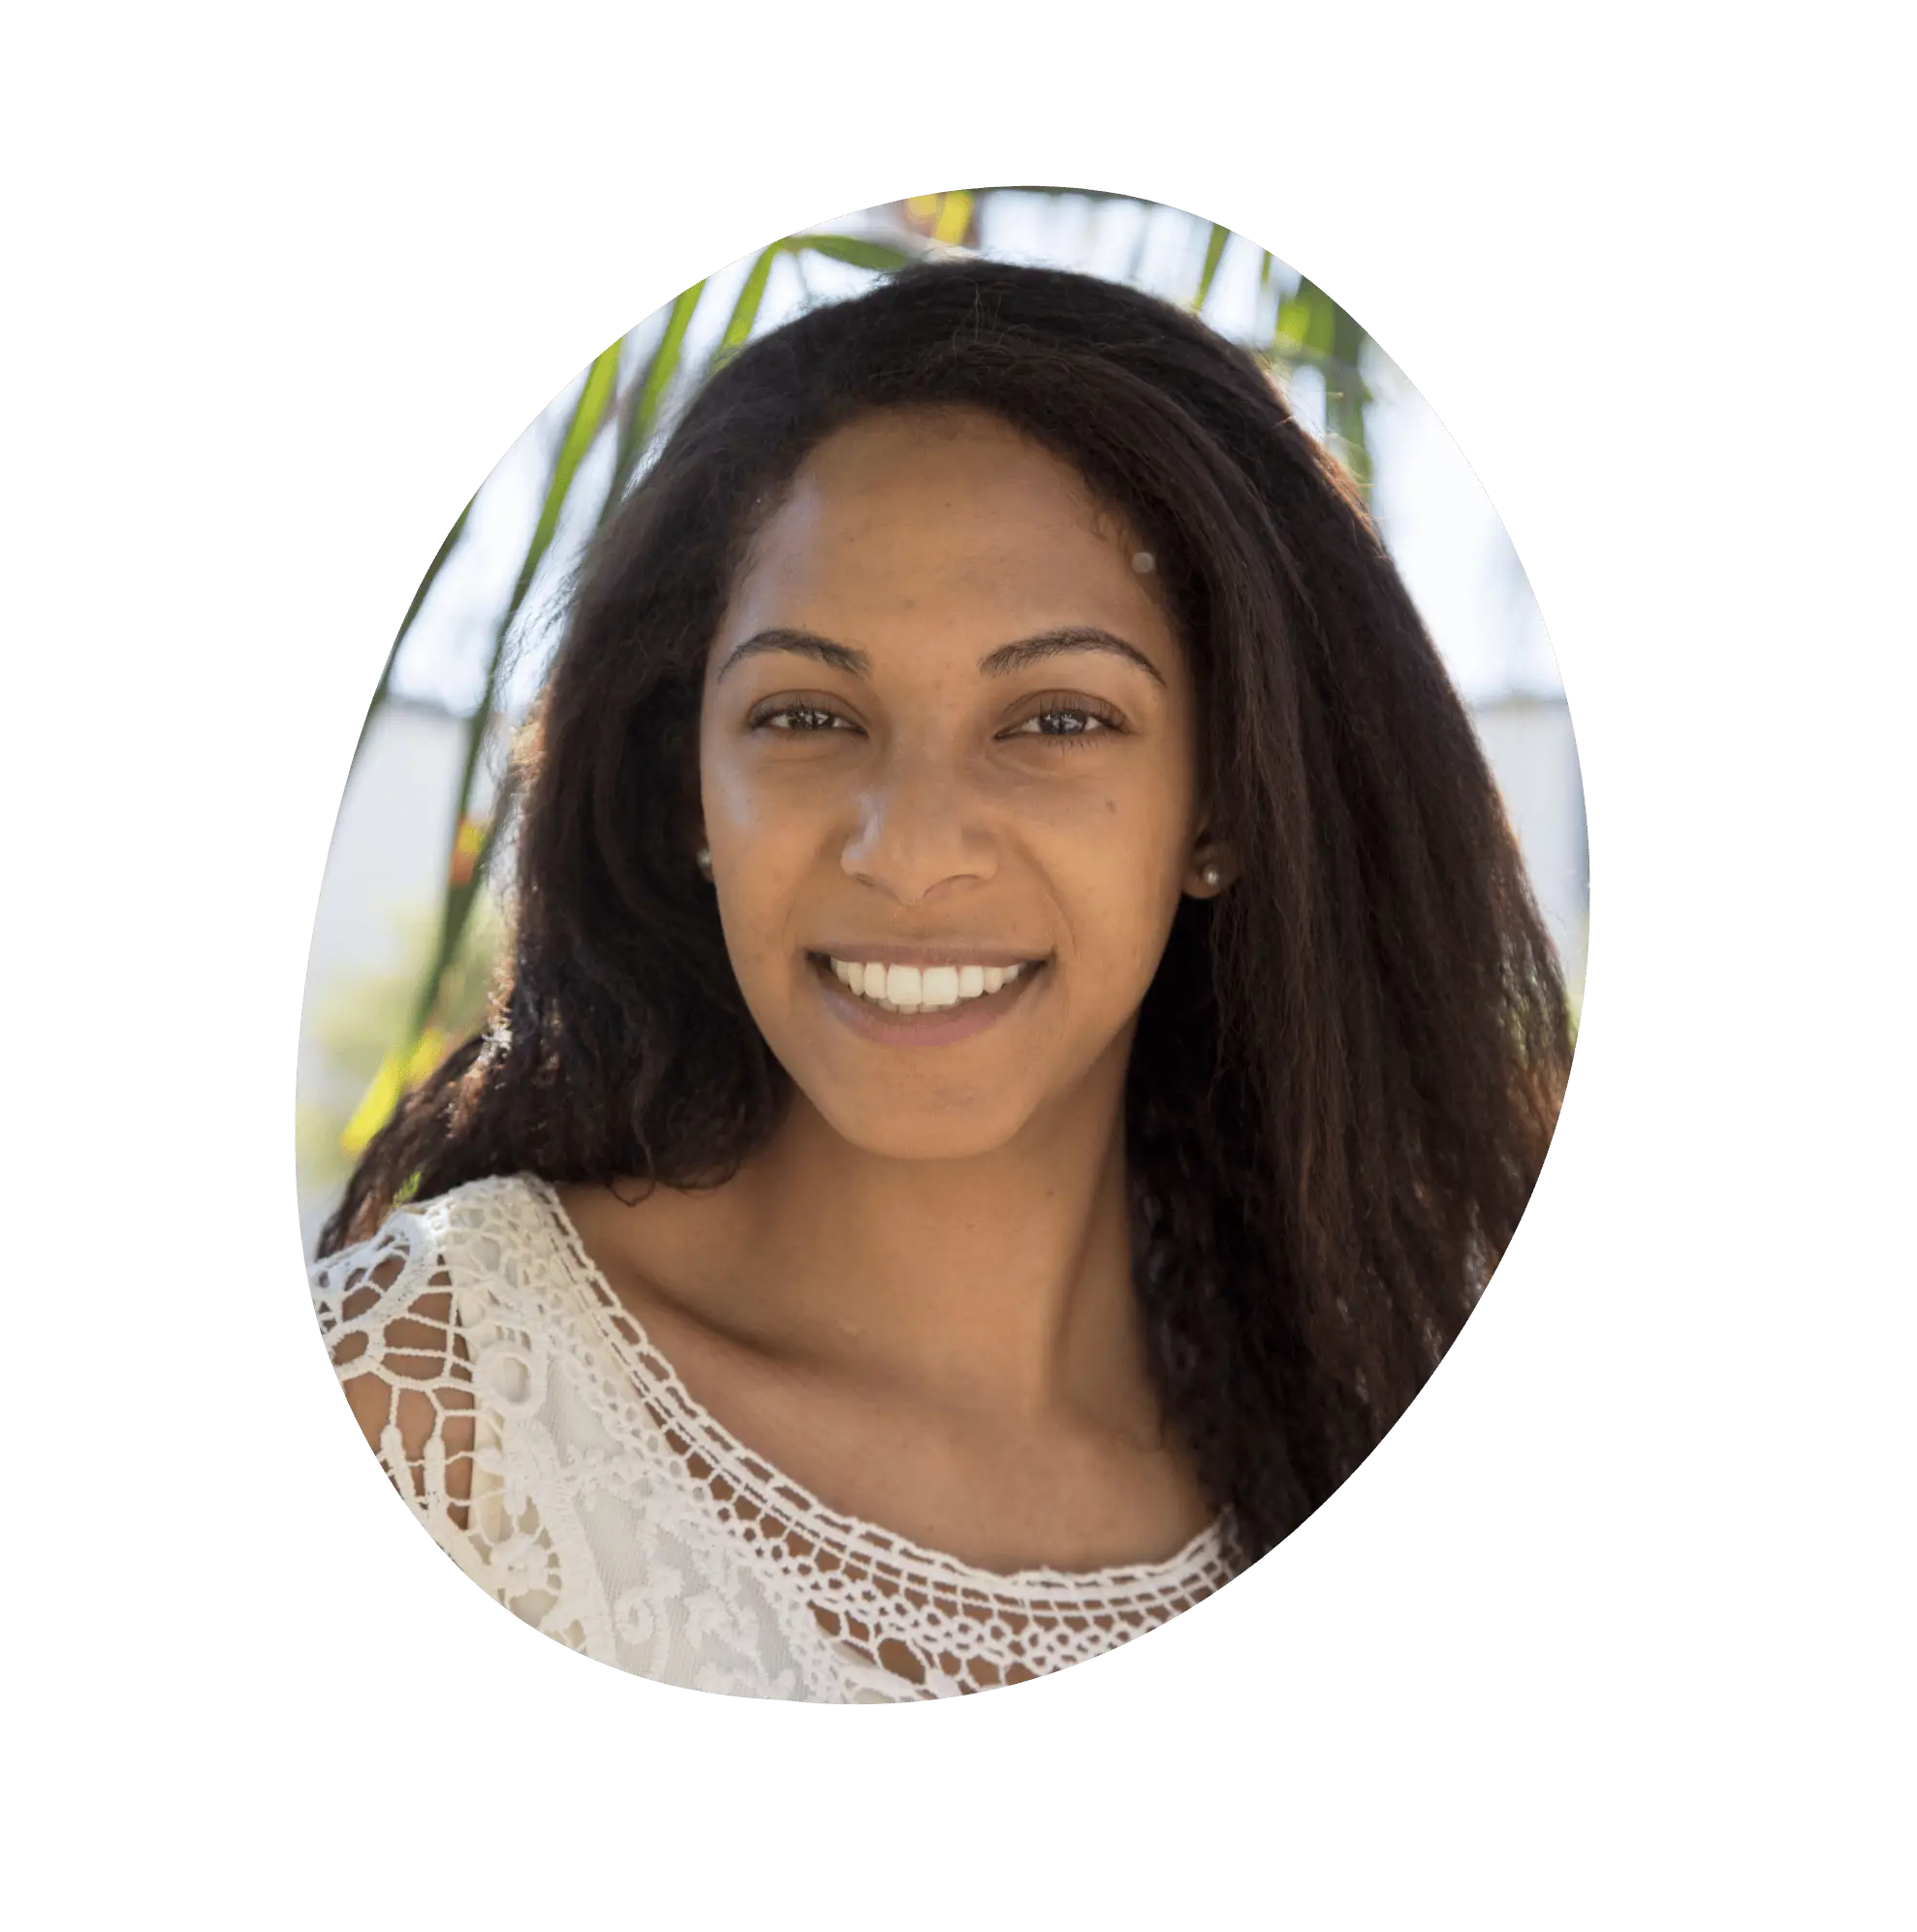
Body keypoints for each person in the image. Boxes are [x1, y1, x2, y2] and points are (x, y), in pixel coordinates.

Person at [303, 257, 1575, 1703]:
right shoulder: (432, 1410)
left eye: (1053, 718)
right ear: (685, 792)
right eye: (805, 713)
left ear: (1220, 806)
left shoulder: (1369, 1407)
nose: (907, 853)